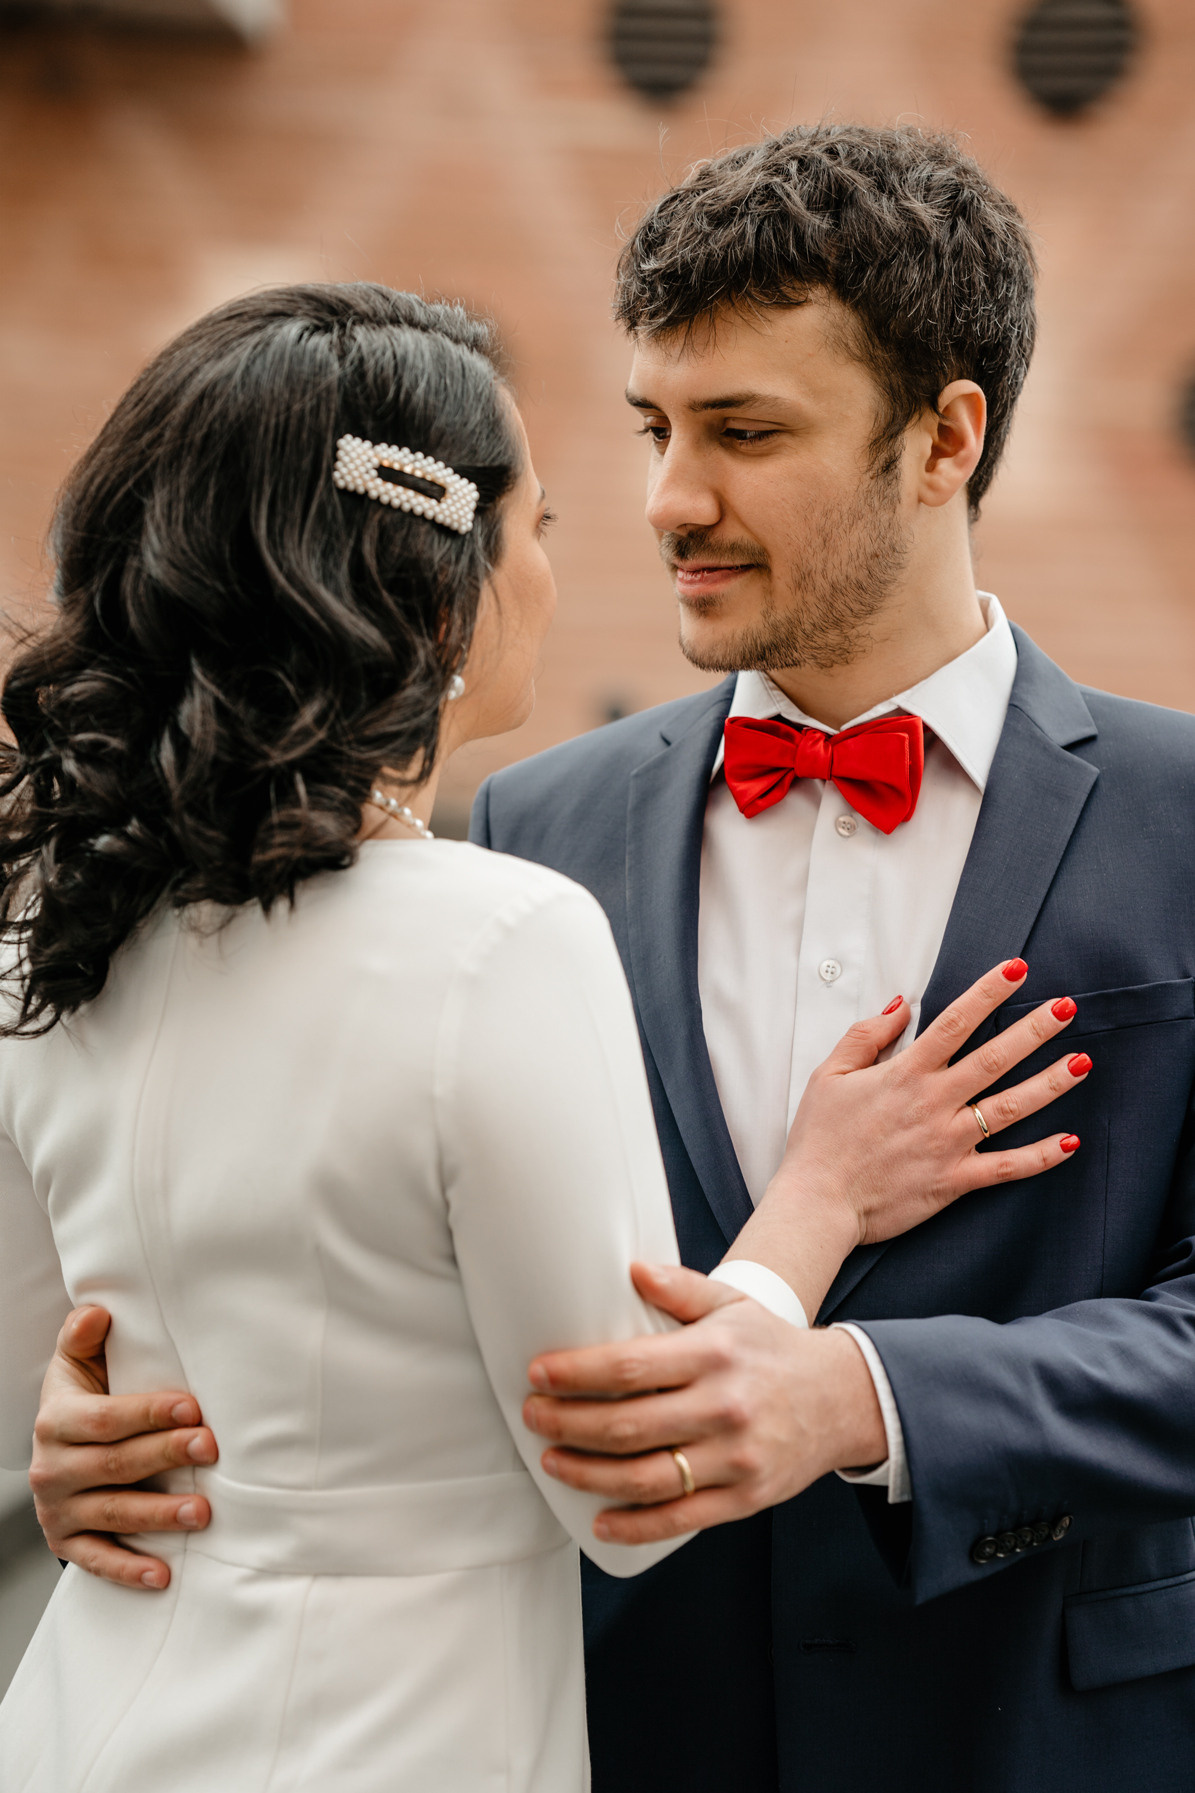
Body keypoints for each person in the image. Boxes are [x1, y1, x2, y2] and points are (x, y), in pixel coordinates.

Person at [26, 124, 1195, 1791]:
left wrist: (864, 1396)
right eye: (656, 427)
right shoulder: (534, 827)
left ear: (945, 439)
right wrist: (133, 1415)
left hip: (1041, 1734)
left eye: (744, 432)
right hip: (629, 1733)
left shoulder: (1179, 814)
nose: (668, 501)